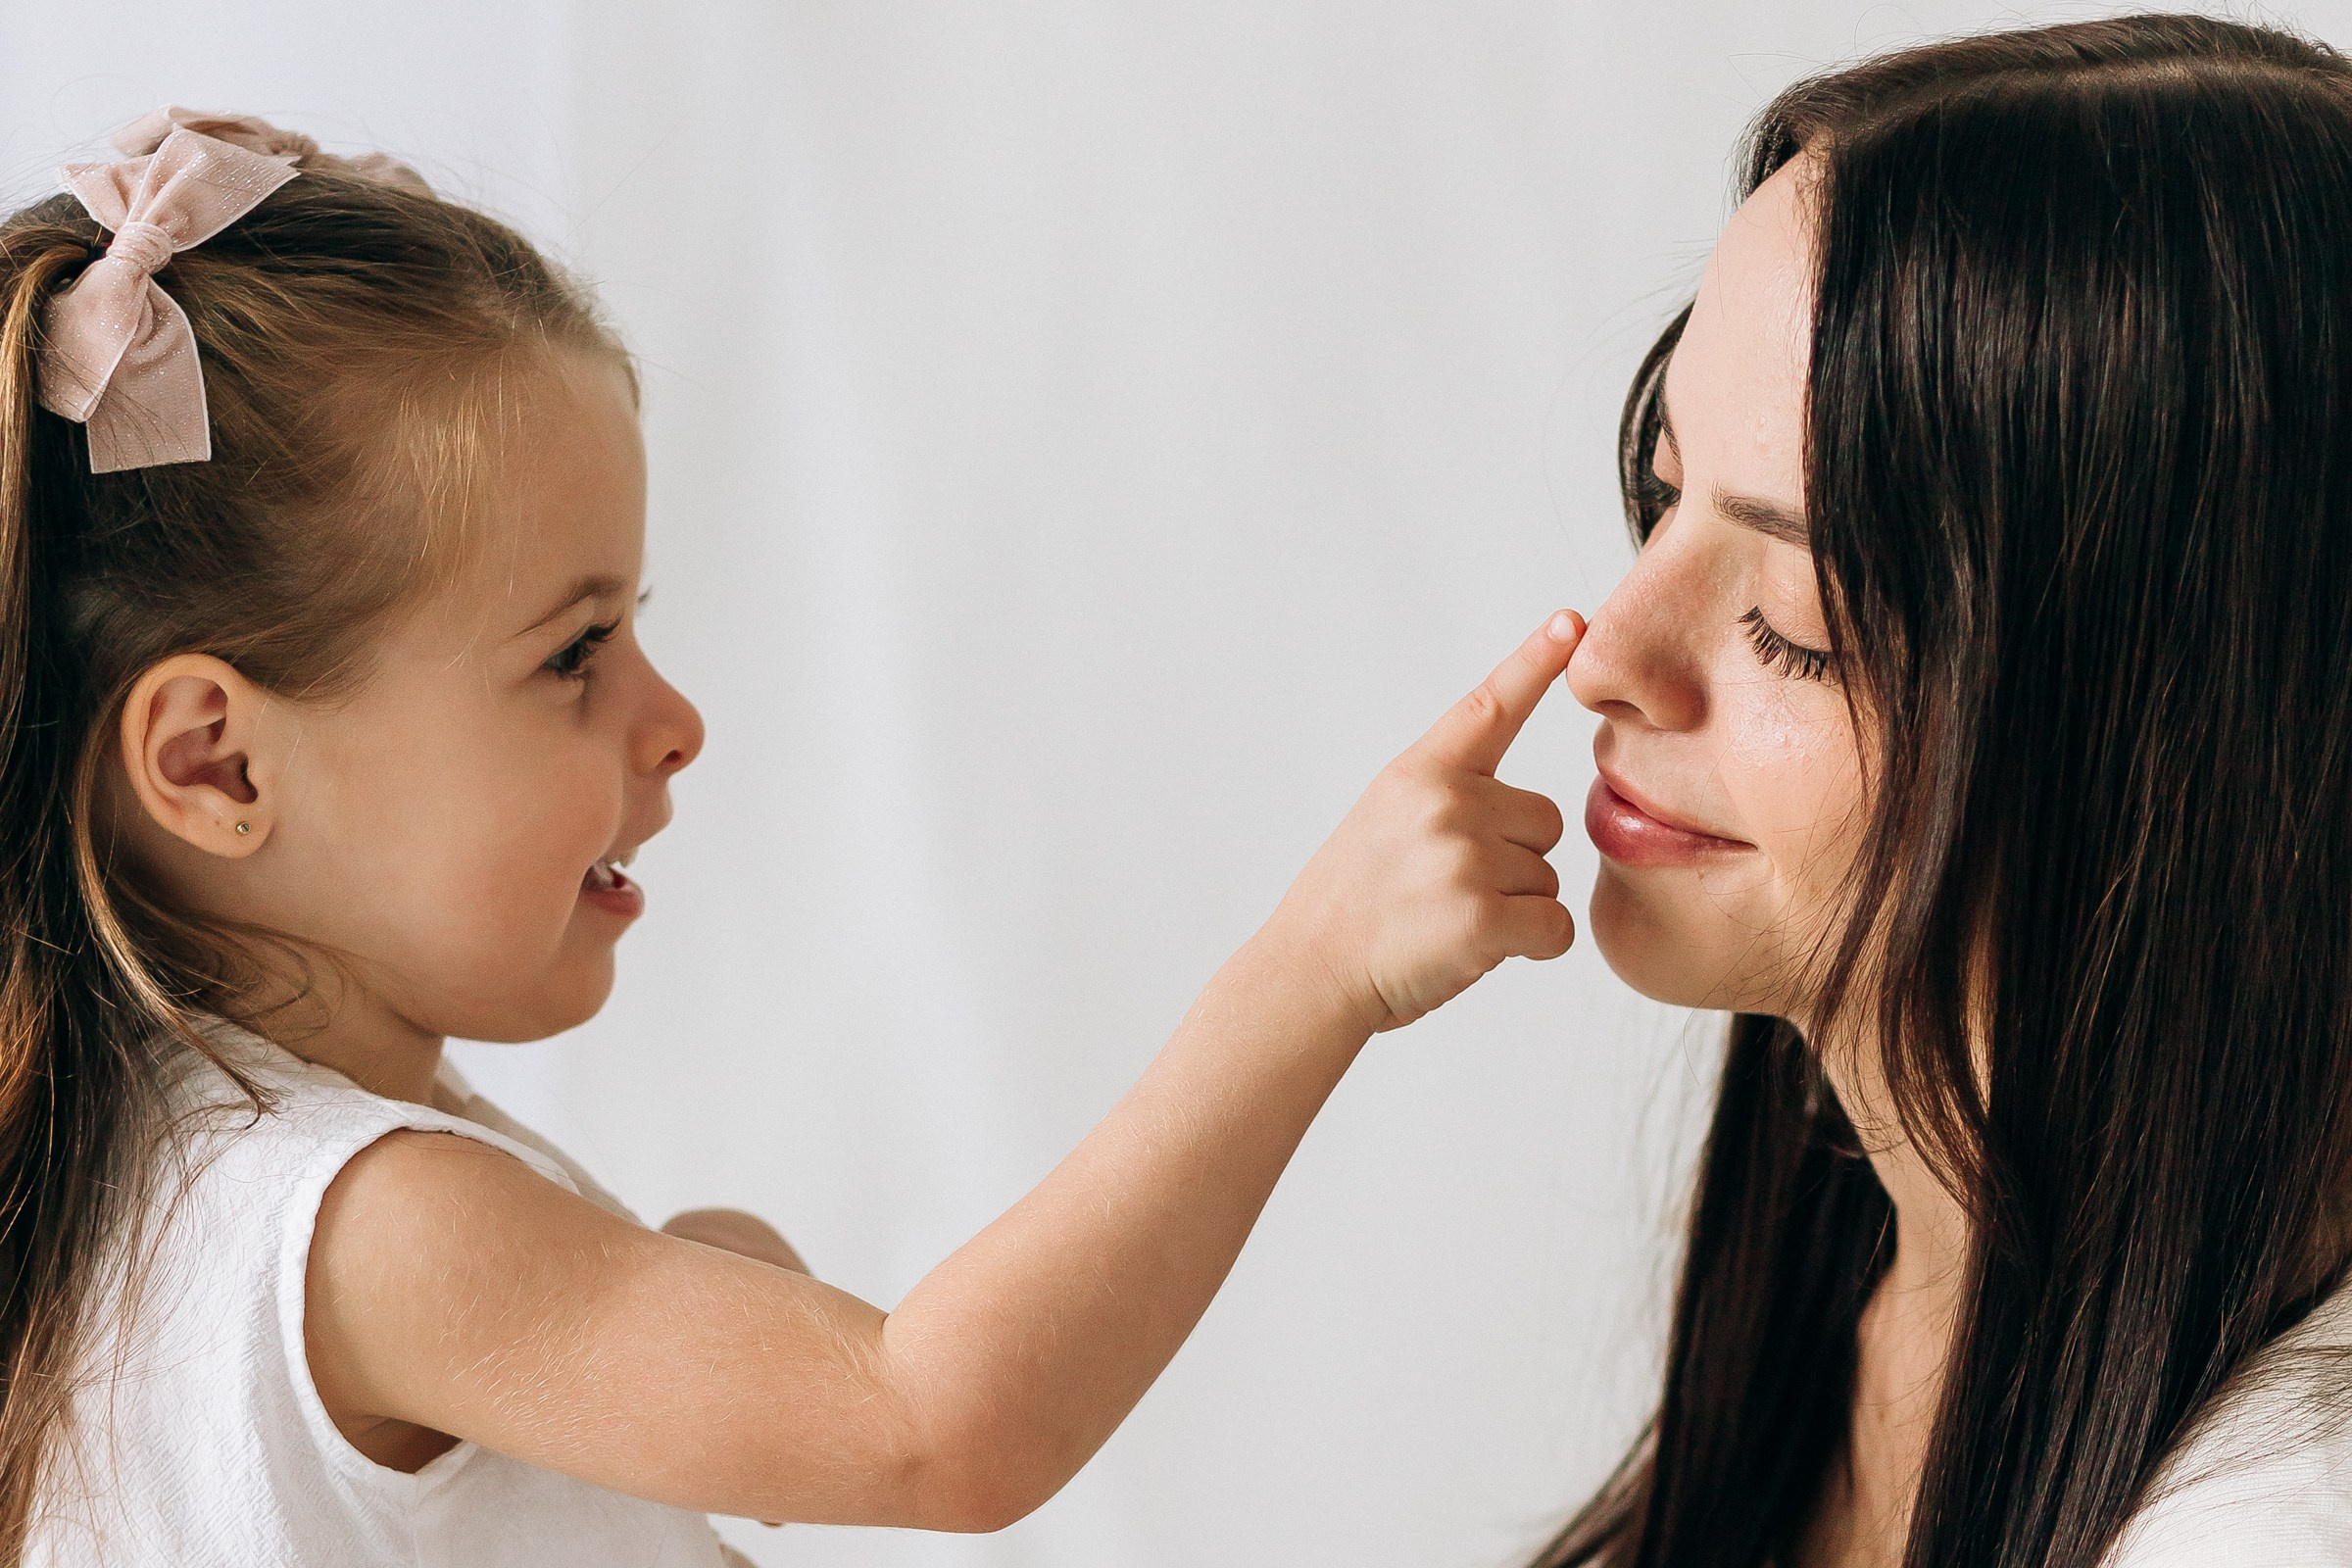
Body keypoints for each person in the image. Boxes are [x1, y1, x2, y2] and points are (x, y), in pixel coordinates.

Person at [0, 108, 1583, 1564]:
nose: (672, 716)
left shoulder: (150, 1179)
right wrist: (1318, 969)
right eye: (573, 653)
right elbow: (944, 1430)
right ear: (217, 764)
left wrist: (673, 1282)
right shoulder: (373, 1224)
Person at [1541, 14, 2352, 1568]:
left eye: (1800, 614)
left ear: (2162, 741)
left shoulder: (2272, 1529)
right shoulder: (1852, 1287)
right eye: (1661, 497)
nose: (1609, 653)